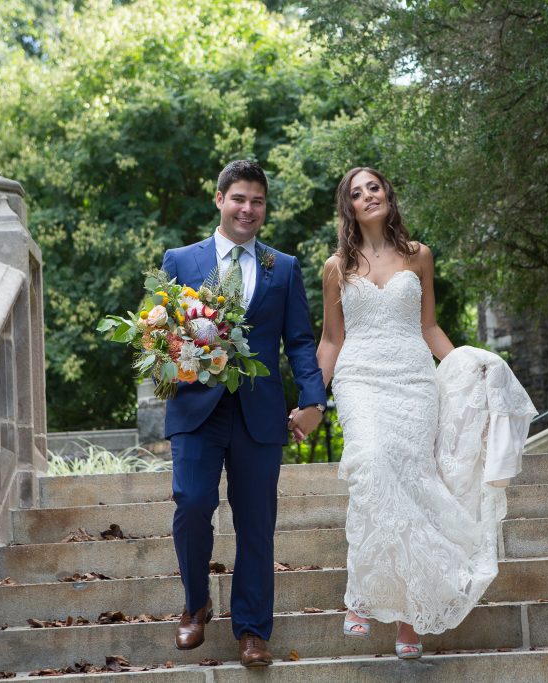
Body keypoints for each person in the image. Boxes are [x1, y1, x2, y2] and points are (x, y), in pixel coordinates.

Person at [290, 167, 531, 660]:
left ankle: (410, 617)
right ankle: (360, 595)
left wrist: (467, 363)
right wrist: (313, 399)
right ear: (349, 207)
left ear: (386, 194)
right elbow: (332, 339)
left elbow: (428, 327)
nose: (367, 196)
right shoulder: (336, 266)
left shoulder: (419, 255)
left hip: (413, 381)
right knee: (372, 464)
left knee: (413, 484)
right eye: (356, 193)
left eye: (373, 187)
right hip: (360, 379)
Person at [161, 159, 326, 668]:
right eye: (239, 199)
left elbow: (299, 340)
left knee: (257, 523)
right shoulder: (181, 261)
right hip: (197, 410)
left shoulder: (284, 267)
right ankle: (195, 603)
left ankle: (253, 630)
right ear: (219, 199)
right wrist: (175, 362)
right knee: (192, 503)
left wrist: (315, 400)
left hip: (258, 411)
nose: (247, 209)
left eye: (257, 201)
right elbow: (163, 332)